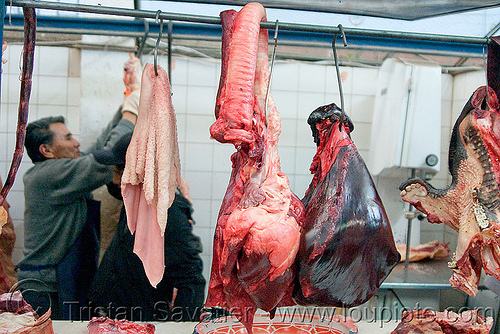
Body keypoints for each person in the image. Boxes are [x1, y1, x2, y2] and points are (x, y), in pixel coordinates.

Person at [16, 55, 142, 320]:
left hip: (63, 277)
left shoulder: (63, 171)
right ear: (46, 150)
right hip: (47, 286)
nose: (76, 143)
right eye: (69, 137)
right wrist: (133, 108)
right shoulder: (46, 175)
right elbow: (110, 154)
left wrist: (127, 103)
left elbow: (99, 149)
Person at [87, 125, 206, 323]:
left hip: (141, 320)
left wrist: (179, 329)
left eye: (118, 171)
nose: (115, 180)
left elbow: (191, 280)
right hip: (114, 315)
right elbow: (116, 188)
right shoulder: (136, 198)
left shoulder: (166, 212)